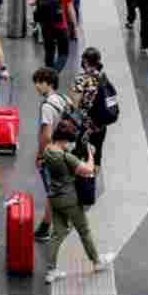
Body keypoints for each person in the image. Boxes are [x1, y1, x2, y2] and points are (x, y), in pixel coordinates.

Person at [41, 120, 114, 283]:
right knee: (84, 231)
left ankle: (51, 271)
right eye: (69, 140)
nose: (70, 143)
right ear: (64, 140)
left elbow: (62, 153)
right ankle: (97, 261)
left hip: (54, 197)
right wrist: (90, 154)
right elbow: (87, 169)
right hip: (69, 199)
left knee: (57, 234)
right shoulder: (66, 157)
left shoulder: (48, 150)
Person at [32, 68, 69, 242]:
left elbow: (46, 135)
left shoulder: (47, 106)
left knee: (52, 191)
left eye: (40, 82)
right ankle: (48, 225)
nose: (37, 86)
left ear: (49, 83)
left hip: (52, 153)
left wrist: (40, 155)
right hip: (66, 149)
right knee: (56, 189)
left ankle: (49, 227)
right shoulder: (64, 99)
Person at [31, 0, 77, 73]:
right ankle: (54, 73)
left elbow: (31, 2)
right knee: (63, 53)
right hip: (61, 25)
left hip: (45, 25)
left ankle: (49, 73)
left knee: (49, 51)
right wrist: (74, 27)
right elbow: (71, 10)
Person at [73, 48, 111, 172]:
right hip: (100, 122)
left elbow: (76, 103)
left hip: (86, 123)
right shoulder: (103, 77)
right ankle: (93, 176)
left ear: (84, 60)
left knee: (80, 152)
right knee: (97, 152)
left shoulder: (82, 78)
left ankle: (82, 178)